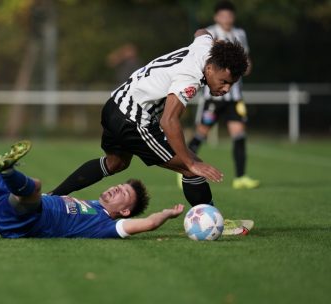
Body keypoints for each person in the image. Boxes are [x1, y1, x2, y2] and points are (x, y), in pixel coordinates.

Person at [49, 28, 253, 234]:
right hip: (133, 120)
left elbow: (202, 32)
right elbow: (169, 120)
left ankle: (50, 197)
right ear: (209, 68)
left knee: (115, 163)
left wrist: (222, 47)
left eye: (231, 84)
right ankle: (214, 222)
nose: (226, 89)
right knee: (192, 169)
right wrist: (190, 162)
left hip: (114, 106)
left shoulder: (206, 48)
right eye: (224, 81)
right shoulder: (190, 76)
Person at [0, 140, 186, 239]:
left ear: (123, 212)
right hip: (6, 204)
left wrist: (166, 215)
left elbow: (145, 224)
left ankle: (8, 169)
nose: (114, 189)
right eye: (118, 185)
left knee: (34, 188)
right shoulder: (90, 205)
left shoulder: (105, 225)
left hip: (22, 220)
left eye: (122, 193)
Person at [183, 1, 259, 190]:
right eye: (223, 15)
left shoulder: (240, 34)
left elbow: (246, 60)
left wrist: (246, 66)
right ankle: (185, 169)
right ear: (217, 17)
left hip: (234, 97)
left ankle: (240, 177)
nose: (227, 19)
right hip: (213, 97)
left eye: (230, 15)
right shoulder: (209, 33)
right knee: (201, 133)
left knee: (239, 134)